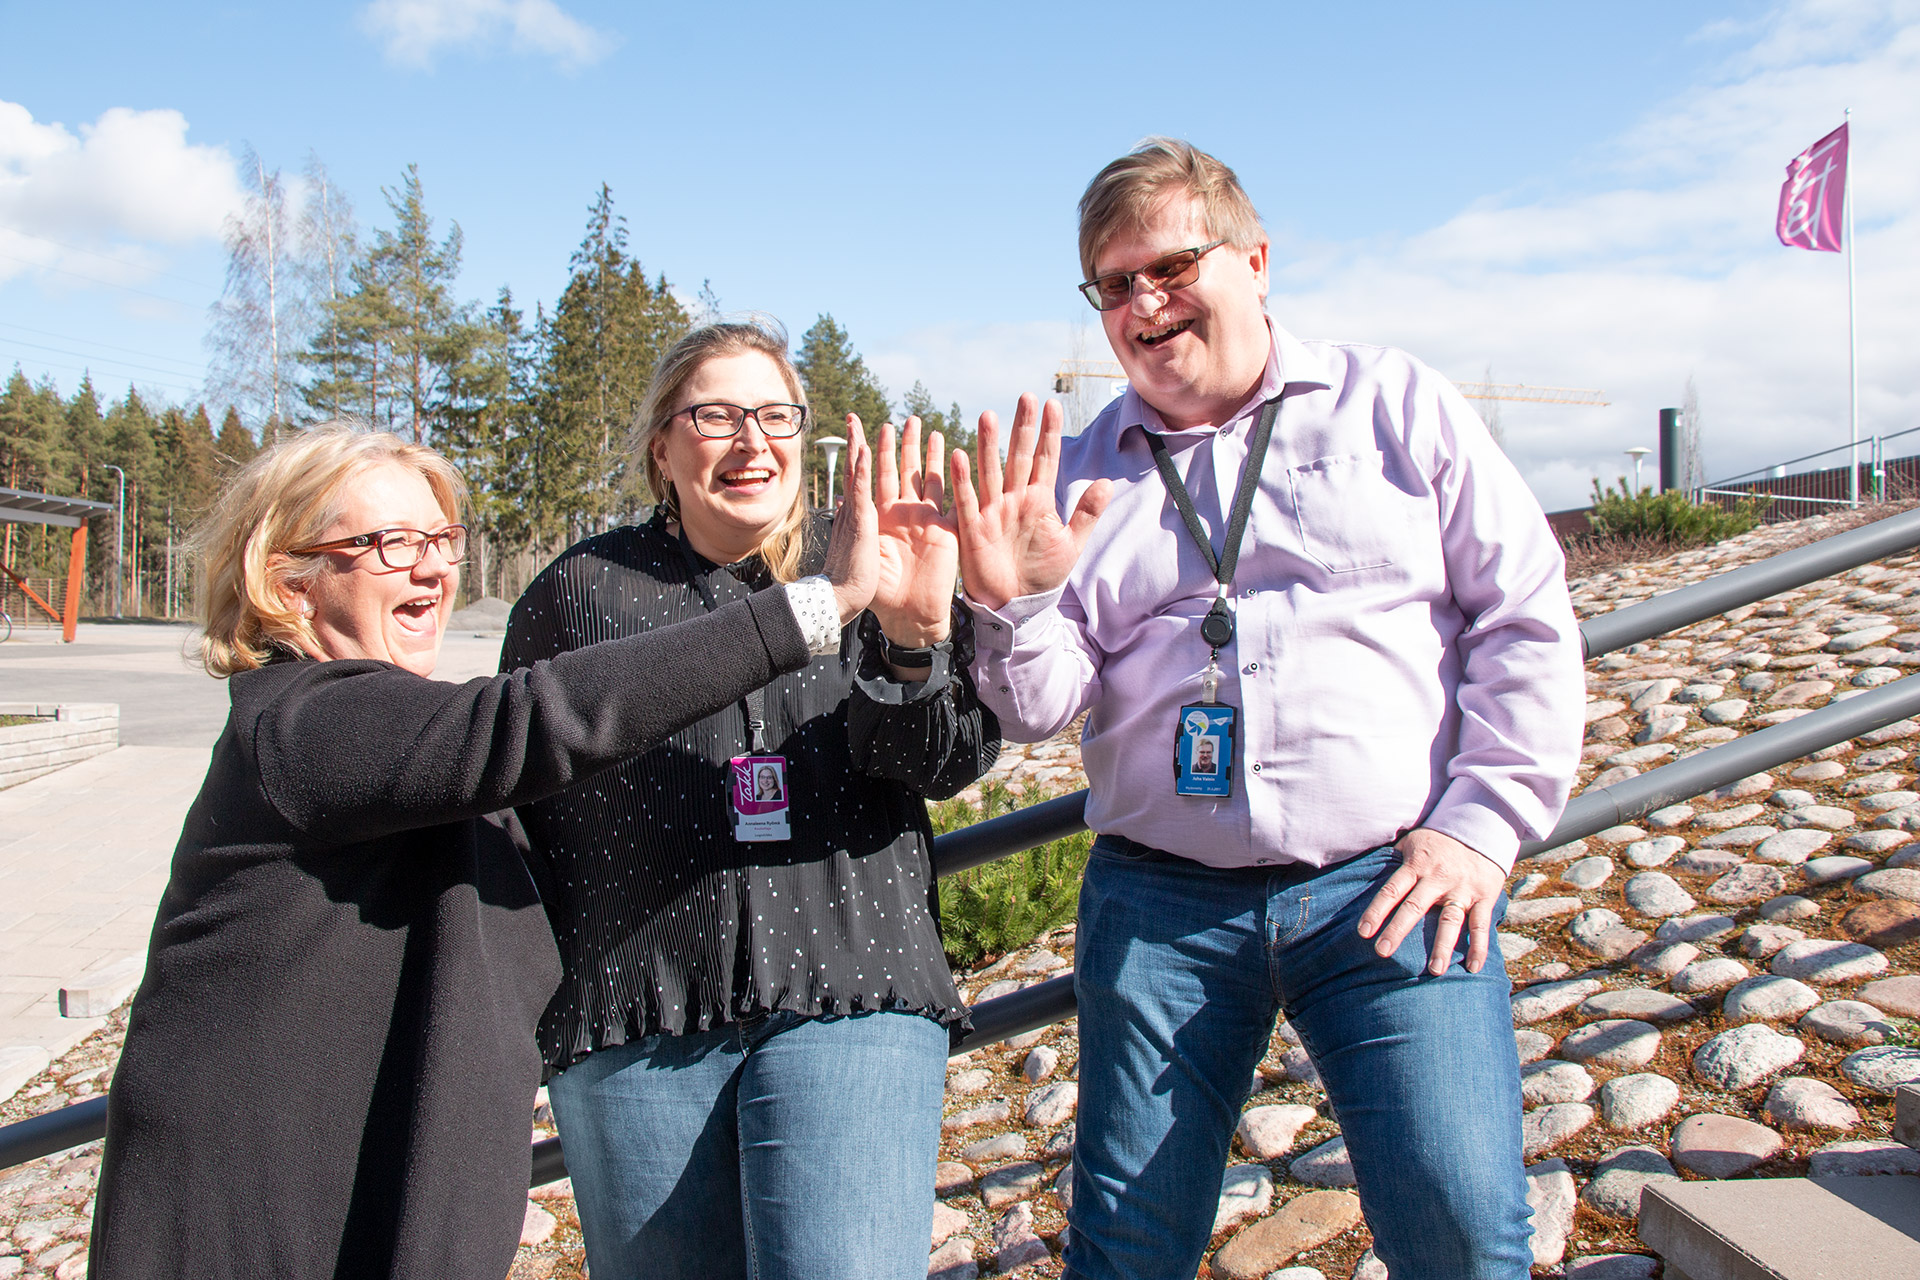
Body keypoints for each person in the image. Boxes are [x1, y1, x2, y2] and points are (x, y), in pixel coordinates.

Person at [950, 139, 1584, 1280]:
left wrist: (1482, 825)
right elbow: (1042, 709)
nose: (1145, 303)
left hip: (1389, 884)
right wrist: (1017, 599)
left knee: (1459, 1226)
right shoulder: (1083, 472)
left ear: (1255, 259)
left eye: (1171, 266)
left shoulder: (1396, 404)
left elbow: (1525, 614)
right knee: (1127, 1247)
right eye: (1114, 285)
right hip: (1160, 904)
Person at [88, 422, 885, 1280]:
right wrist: (819, 602)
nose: (432, 568)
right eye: (386, 544)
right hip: (251, 1215)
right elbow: (531, 720)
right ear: (289, 579)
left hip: (355, 1198)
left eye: (439, 539)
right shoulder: (300, 724)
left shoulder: (401, 744)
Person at [501, 318, 998, 1280]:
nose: (751, 440)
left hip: (855, 990)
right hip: (636, 1014)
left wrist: (910, 636)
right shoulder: (579, 596)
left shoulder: (875, 557)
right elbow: (522, 793)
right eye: (717, 415)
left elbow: (942, 761)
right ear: (663, 446)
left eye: (774, 414)